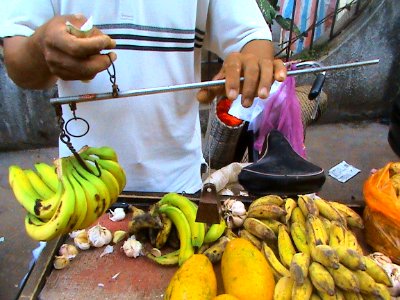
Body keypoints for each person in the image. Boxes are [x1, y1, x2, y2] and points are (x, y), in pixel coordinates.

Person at [0, 1, 287, 194]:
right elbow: (18, 61)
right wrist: (41, 48)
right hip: (81, 189)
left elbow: (251, 36)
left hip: (180, 186)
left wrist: (251, 62)